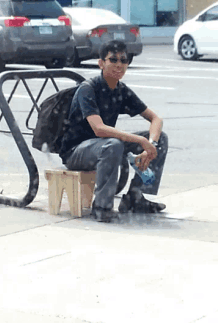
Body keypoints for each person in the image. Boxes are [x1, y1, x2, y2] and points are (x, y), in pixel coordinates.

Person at [59, 41, 168, 222]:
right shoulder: (88, 89)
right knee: (113, 144)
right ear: (101, 63)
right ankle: (102, 207)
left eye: (124, 60)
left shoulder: (120, 90)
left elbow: (156, 119)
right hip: (76, 152)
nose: (119, 65)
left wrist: (151, 145)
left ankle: (135, 197)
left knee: (160, 138)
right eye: (113, 59)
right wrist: (140, 141)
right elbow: (99, 129)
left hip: (105, 146)